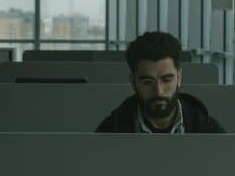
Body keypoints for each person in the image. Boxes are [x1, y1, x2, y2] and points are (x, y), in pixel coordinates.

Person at [95, 31, 225, 133]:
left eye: (167, 80)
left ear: (179, 77)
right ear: (133, 82)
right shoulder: (110, 131)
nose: (158, 91)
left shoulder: (208, 130)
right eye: (148, 82)